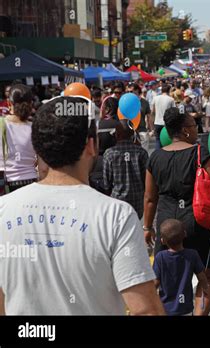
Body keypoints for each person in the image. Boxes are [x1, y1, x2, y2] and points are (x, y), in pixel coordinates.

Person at [0, 96, 165, 315]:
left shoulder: (3, 209)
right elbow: (146, 310)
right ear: (90, 145)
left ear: (37, 148)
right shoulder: (115, 215)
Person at [143, 107, 210, 315]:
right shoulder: (199, 153)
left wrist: (147, 227)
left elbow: (150, 198)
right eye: (193, 125)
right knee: (209, 275)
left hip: (166, 225)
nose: (196, 129)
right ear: (184, 130)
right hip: (198, 223)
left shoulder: (155, 157)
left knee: (164, 278)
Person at [153, 219, 209, 316]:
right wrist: (205, 288)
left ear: (162, 240)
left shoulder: (160, 257)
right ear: (185, 234)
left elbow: (156, 282)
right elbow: (202, 277)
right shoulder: (192, 254)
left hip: (165, 308)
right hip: (185, 307)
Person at [103, 120, 148, 219]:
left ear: (117, 135)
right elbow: (147, 180)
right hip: (137, 202)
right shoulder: (141, 153)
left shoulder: (109, 153)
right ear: (133, 134)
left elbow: (106, 183)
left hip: (118, 201)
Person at [0, 84, 37, 192]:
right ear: (31, 104)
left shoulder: (1, 124)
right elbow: (42, 167)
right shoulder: (35, 128)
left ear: (9, 103)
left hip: (5, 184)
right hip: (31, 183)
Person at [151, 84, 175, 150]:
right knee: (168, 141)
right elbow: (173, 111)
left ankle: (158, 155)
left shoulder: (155, 98)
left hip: (157, 122)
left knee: (158, 140)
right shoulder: (171, 99)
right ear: (169, 90)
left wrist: (152, 123)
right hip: (167, 123)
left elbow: (152, 111)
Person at [129, 83, 152, 151]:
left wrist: (151, 129)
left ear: (137, 90)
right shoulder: (127, 102)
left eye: (131, 91)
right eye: (128, 91)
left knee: (144, 152)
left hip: (142, 131)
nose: (129, 93)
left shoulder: (144, 102)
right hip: (130, 132)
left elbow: (149, 116)